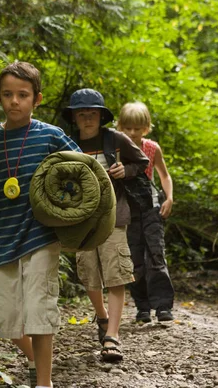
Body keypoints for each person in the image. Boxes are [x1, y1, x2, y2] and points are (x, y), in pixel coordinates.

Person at [0, 61, 80, 388]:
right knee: (10, 321)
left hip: (40, 237)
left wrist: (68, 206)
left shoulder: (51, 136)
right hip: (1, 240)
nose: (15, 101)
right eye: (7, 94)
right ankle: (31, 358)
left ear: (37, 99)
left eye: (23, 95)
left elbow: (83, 174)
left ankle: (44, 383)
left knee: (40, 313)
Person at [61, 88, 149, 362]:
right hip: (80, 219)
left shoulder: (116, 139)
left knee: (116, 274)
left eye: (93, 114)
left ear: (101, 116)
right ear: (74, 117)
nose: (88, 119)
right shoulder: (66, 143)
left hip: (114, 216)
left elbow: (142, 162)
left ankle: (112, 336)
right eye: (82, 114)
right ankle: (102, 316)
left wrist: (127, 171)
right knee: (89, 274)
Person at [117, 101, 175, 323]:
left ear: (146, 128)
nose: (132, 133)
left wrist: (169, 198)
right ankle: (142, 307)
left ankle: (162, 307)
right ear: (120, 127)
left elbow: (164, 175)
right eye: (128, 128)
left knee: (156, 254)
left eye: (137, 128)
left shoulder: (152, 148)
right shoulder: (117, 149)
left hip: (151, 207)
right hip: (127, 210)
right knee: (134, 258)